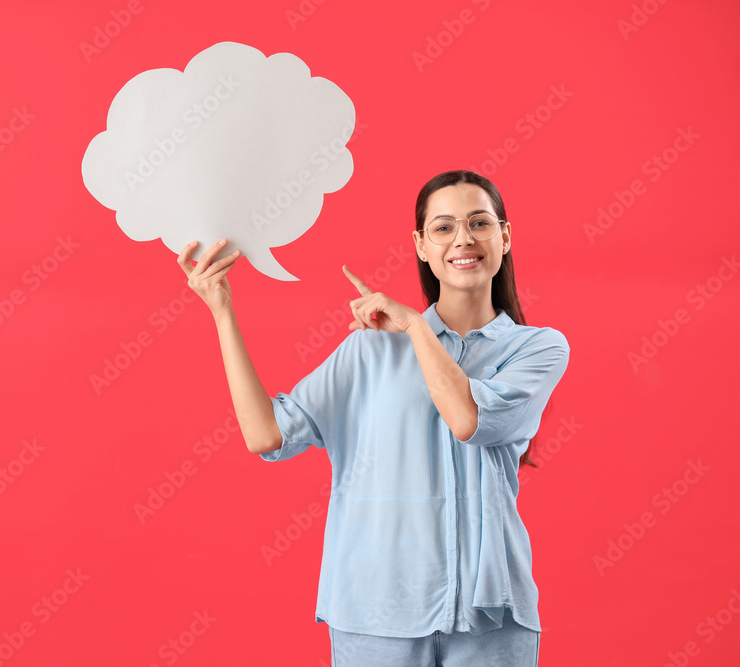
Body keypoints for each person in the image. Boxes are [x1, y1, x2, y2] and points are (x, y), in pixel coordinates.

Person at [177, 170, 570, 666]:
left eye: (479, 223)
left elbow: (469, 420)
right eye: (443, 227)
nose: (463, 239)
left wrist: (412, 325)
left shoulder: (538, 348)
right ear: (421, 246)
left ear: (505, 236)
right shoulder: (370, 350)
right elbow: (267, 434)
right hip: (375, 614)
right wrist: (222, 310)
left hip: (490, 617)